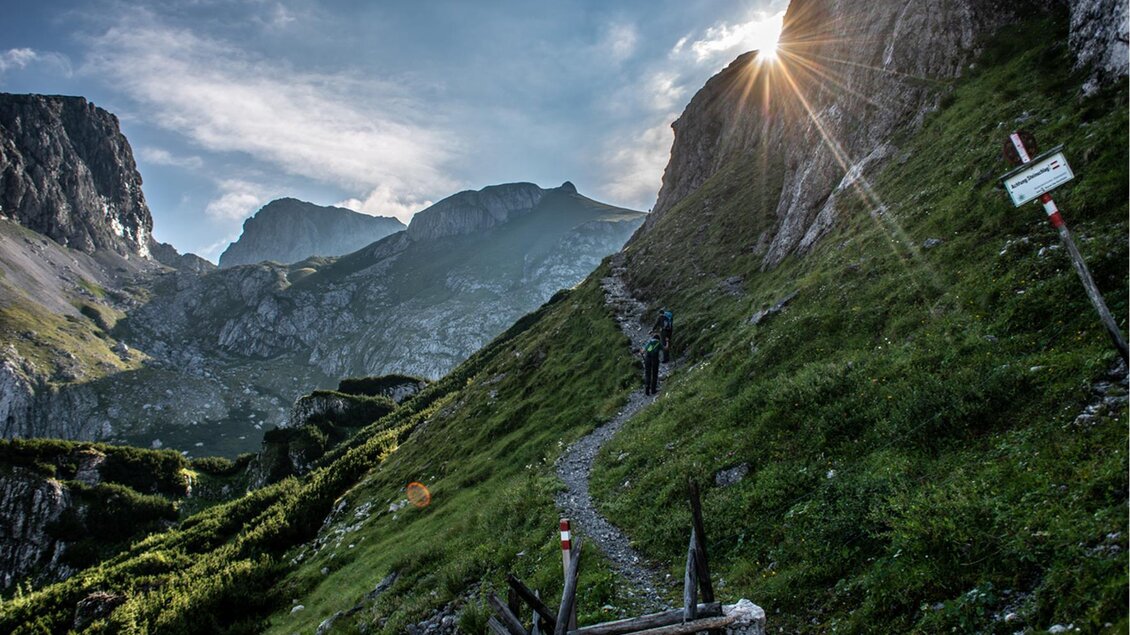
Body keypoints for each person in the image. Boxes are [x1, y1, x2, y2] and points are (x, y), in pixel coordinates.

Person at [642, 330, 662, 396]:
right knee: (654, 374)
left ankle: (647, 390)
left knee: (647, 374)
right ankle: (653, 390)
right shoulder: (658, 343)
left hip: (648, 359)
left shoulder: (649, 343)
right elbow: (666, 348)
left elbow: (643, 351)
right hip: (655, 360)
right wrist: (667, 341)